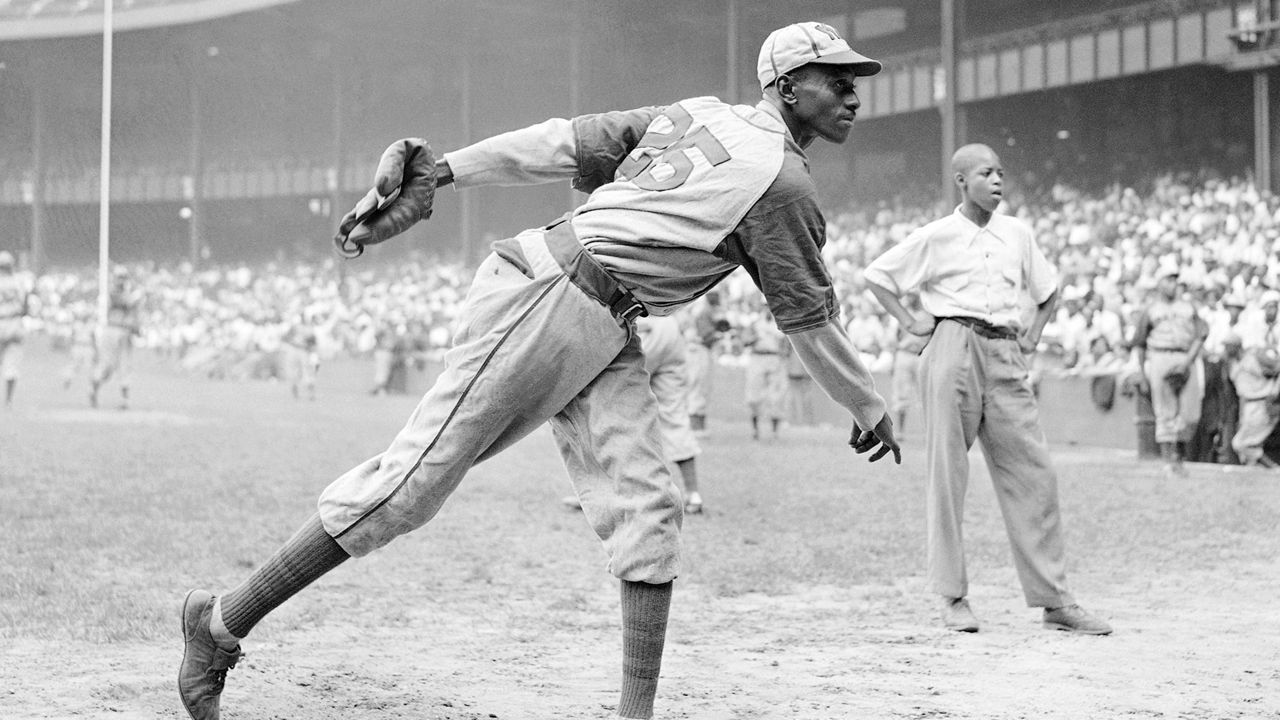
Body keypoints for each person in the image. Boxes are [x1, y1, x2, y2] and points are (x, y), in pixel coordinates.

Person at [178, 21, 900, 720]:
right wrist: (868, 405)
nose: (853, 94)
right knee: (409, 489)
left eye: (855, 81)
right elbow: (807, 320)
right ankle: (218, 626)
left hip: (604, 320)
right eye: (835, 80)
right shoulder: (782, 180)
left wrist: (446, 170)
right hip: (552, 295)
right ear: (785, 84)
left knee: (650, 510)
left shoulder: (697, 116)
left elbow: (560, 143)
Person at [864, 142, 1112, 636]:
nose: (997, 180)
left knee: (1035, 473)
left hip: (1005, 350)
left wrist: (1034, 334)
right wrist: (912, 320)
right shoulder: (938, 235)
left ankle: (1055, 600)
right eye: (985, 173)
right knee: (948, 474)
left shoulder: (1017, 233)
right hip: (953, 343)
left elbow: (1047, 291)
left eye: (1001, 172)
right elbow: (878, 276)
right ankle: (952, 596)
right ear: (961, 181)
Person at [1132, 264, 1208, 477]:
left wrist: (1188, 361)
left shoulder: (1188, 307)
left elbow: (1201, 334)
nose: (1173, 283)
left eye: (1175, 279)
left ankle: (1180, 459)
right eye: (1168, 279)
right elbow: (1139, 342)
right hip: (1160, 355)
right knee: (1165, 411)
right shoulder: (1151, 309)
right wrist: (1141, 370)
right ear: (1159, 283)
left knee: (1190, 414)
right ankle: (1170, 461)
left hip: (1185, 356)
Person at [90, 266, 143, 409]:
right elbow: (124, 303)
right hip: (111, 330)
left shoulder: (127, 292)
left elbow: (133, 314)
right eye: (120, 277)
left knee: (125, 366)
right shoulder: (112, 292)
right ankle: (94, 390)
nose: (122, 280)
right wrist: (135, 297)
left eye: (124, 277)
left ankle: (125, 401)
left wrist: (137, 327)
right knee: (107, 367)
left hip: (124, 332)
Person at [1224, 333, 1280, 467]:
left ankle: (1273, 468)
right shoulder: (1233, 364)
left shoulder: (1253, 358)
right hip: (1247, 404)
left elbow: (1277, 370)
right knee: (1250, 445)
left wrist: (1275, 393)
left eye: (1228, 346)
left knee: (1241, 444)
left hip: (1262, 403)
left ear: (1236, 346)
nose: (1225, 349)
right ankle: (1258, 476)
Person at [741, 303, 789, 440]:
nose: (768, 309)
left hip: (775, 358)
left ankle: (775, 431)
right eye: (765, 307)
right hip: (758, 356)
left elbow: (788, 344)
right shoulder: (755, 324)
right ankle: (755, 430)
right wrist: (754, 337)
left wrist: (784, 354)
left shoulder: (781, 324)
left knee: (777, 395)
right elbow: (744, 340)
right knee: (754, 395)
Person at [684, 290, 728, 432]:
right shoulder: (703, 311)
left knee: (702, 387)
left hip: (701, 350)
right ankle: (695, 427)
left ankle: (697, 425)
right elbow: (706, 336)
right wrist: (719, 335)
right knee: (697, 386)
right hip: (698, 349)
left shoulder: (705, 311)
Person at [0, 251, 30, 409]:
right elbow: (26, 308)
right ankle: (8, 401)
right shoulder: (19, 282)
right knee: (11, 365)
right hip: (14, 323)